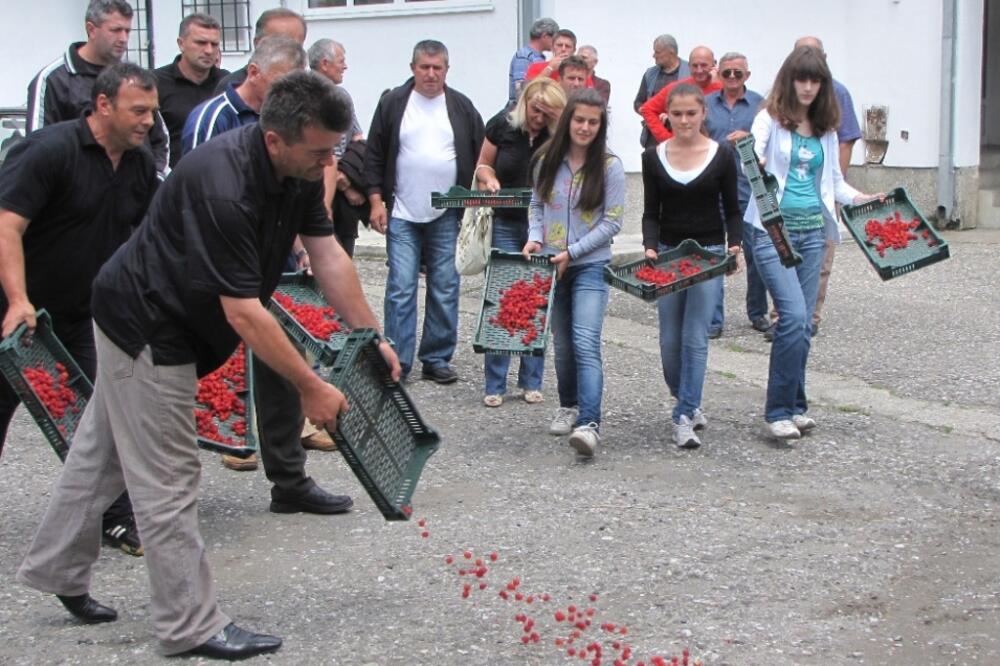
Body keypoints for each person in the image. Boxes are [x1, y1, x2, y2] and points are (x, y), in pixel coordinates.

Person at [16, 70, 400, 659]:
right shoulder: (224, 183)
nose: (332, 161)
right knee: (169, 480)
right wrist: (309, 388)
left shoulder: (298, 169)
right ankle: (188, 625)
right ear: (275, 139)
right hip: (149, 327)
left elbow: (327, 255)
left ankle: (57, 570)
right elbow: (245, 314)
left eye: (334, 148)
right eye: (321, 150)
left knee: (102, 454)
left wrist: (369, 336)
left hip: (160, 316)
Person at [0, 63, 157, 558]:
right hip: (16, 312)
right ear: (103, 105)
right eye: (139, 110)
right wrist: (19, 300)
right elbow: (7, 228)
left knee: (105, 412)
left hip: (84, 312)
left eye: (153, 111)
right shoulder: (48, 151)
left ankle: (114, 518)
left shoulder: (138, 162)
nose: (149, 121)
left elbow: (146, 236)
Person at [744, 46, 881, 440]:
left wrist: (863, 199)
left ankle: (795, 405)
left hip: (812, 232)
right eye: (801, 79)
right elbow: (750, 158)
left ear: (823, 85)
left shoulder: (826, 128)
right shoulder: (769, 119)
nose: (807, 87)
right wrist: (759, 165)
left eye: (815, 79)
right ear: (789, 80)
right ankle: (777, 412)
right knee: (794, 317)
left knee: (802, 326)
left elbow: (834, 184)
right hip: (772, 232)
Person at [365, 40, 485, 384]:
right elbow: (374, 154)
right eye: (424, 67)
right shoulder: (392, 104)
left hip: (447, 214)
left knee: (445, 285)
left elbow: (481, 155)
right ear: (413, 67)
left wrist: (476, 199)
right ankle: (397, 360)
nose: (431, 74)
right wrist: (376, 200)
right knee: (401, 287)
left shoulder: (461, 107)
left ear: (447, 69)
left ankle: (436, 357)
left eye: (438, 68)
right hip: (402, 211)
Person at [524, 88, 625, 458]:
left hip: (589, 264)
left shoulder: (610, 166)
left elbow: (613, 222)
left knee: (585, 340)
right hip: (552, 263)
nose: (585, 127)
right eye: (579, 120)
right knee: (562, 344)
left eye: (593, 122)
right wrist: (535, 238)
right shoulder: (545, 159)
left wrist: (574, 251)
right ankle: (568, 405)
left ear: (601, 126)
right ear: (568, 121)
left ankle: (589, 422)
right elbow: (536, 204)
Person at [641, 83, 743, 449]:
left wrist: (735, 246)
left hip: (709, 253)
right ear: (668, 116)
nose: (684, 121)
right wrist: (650, 247)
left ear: (703, 114)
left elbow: (732, 208)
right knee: (670, 339)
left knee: (695, 336)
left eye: (691, 113)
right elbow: (651, 211)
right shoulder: (654, 156)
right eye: (678, 114)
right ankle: (687, 396)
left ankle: (683, 413)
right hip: (669, 253)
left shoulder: (722, 154)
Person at [476, 78, 566, 408]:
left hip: (541, 226)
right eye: (535, 110)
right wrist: (490, 179)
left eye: (546, 114)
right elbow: (483, 164)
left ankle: (531, 380)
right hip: (505, 221)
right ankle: (495, 383)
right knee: (502, 297)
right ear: (525, 102)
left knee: (538, 298)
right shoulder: (501, 125)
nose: (538, 119)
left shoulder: (557, 138)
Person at [26, 0, 170, 174]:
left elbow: (160, 139)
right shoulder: (54, 80)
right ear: (91, 29)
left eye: (127, 31)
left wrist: (154, 179)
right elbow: (37, 145)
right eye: (116, 30)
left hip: (135, 192)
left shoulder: (135, 79)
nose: (123, 39)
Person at [795, 35, 862, 335]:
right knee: (784, 270)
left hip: (819, 202)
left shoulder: (838, 97)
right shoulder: (774, 114)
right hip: (784, 213)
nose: (808, 86)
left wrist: (844, 192)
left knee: (819, 264)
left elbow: (844, 144)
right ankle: (782, 318)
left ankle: (810, 319)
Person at [703, 52, 766, 338]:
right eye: (726, 72)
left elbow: (769, 146)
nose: (731, 78)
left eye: (737, 73)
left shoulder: (760, 106)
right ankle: (713, 320)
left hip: (748, 189)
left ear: (747, 76)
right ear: (719, 74)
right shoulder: (705, 105)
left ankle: (757, 313)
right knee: (714, 255)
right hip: (713, 190)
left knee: (756, 256)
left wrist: (748, 139)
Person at [182, 36, 305, 156]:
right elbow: (196, 173)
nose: (289, 93)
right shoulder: (212, 117)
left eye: (295, 85)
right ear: (253, 72)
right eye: (281, 83)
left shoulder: (286, 115)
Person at [309, 38, 367, 257]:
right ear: (325, 63)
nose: (345, 66)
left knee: (342, 249)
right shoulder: (303, 95)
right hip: (315, 186)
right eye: (341, 61)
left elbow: (357, 138)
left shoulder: (341, 96)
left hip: (342, 195)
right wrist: (345, 185)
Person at [154, 13, 229, 168]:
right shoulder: (155, 83)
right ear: (181, 44)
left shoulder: (228, 83)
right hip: (172, 181)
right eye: (201, 43)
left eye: (214, 44)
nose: (209, 50)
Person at [213, 7, 307, 94]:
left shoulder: (309, 88)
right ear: (257, 43)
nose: (289, 51)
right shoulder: (232, 87)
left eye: (295, 45)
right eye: (280, 44)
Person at [639, 46, 721, 145]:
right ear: (689, 66)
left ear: (714, 64)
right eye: (695, 66)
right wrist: (667, 139)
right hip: (684, 152)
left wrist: (719, 85)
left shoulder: (726, 87)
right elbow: (647, 109)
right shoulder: (677, 88)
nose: (699, 70)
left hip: (718, 152)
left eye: (704, 65)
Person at [634, 34, 690, 149]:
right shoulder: (650, 74)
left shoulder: (690, 72)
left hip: (682, 137)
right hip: (653, 139)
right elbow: (638, 102)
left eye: (657, 52)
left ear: (671, 52)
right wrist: (646, 111)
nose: (653, 55)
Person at [508, 17, 559, 104]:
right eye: (554, 39)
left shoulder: (538, 57)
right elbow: (520, 89)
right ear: (545, 36)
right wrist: (550, 68)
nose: (555, 43)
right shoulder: (524, 56)